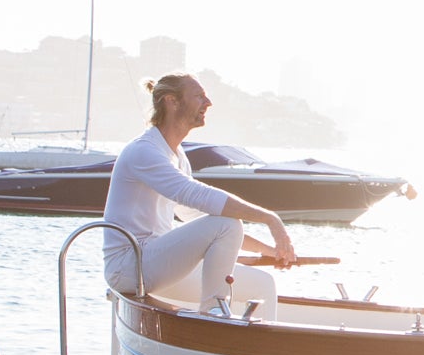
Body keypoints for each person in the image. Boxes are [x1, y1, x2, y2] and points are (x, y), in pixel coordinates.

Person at [102, 73, 295, 316]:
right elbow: (197, 197)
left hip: (155, 265)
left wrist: (270, 250)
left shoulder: (177, 155)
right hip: (128, 269)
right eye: (199, 96)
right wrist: (271, 219)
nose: (208, 103)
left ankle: (238, 334)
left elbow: (196, 217)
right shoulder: (144, 151)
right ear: (172, 101)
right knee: (226, 224)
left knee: (263, 284)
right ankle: (215, 313)